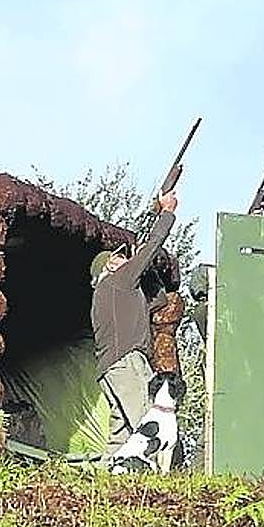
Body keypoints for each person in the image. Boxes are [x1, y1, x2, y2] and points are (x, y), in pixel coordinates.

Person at [89, 190, 177, 458]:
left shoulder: (118, 293)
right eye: (118, 257)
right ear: (109, 266)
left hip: (111, 369)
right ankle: (160, 489)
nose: (124, 258)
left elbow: (159, 299)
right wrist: (167, 213)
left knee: (121, 438)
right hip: (127, 363)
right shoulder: (117, 281)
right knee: (150, 426)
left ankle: (104, 488)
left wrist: (146, 268)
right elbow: (151, 248)